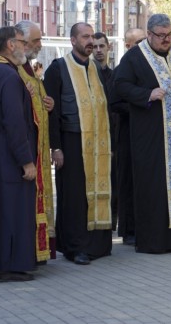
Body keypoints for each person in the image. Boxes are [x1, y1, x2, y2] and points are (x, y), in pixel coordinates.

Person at [114, 14, 171, 253]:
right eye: (161, 36)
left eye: (169, 35)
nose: (166, 40)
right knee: (154, 186)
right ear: (150, 34)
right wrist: (146, 94)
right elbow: (119, 86)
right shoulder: (135, 57)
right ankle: (155, 240)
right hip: (151, 136)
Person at [44, 22, 112, 265]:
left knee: (94, 193)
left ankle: (97, 244)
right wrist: (56, 147)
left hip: (98, 143)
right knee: (73, 196)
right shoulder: (59, 68)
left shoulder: (96, 68)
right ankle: (75, 247)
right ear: (73, 40)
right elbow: (52, 112)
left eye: (92, 36)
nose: (90, 41)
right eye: (85, 37)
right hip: (72, 141)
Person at [0, 26, 37, 282]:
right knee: (12, 208)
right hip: (8, 152)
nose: (25, 46)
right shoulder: (9, 77)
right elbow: (15, 122)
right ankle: (10, 265)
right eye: (22, 42)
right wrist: (26, 161)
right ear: (10, 45)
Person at [15, 20, 56, 263]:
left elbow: (35, 101)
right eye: (36, 41)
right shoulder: (11, 69)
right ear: (20, 40)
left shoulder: (28, 67)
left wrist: (47, 104)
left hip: (38, 148)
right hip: (25, 151)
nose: (40, 45)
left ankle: (38, 252)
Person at [110, 28, 145, 246]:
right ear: (128, 45)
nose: (143, 45)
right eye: (139, 41)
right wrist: (141, 105)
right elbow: (115, 102)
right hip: (128, 133)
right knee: (128, 181)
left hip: (148, 135)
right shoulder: (123, 67)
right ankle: (129, 229)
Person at [93, 31, 118, 230]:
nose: (99, 51)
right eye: (95, 47)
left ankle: (112, 222)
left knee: (114, 182)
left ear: (109, 47)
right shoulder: (88, 74)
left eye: (102, 46)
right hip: (93, 136)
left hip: (114, 136)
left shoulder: (115, 75)